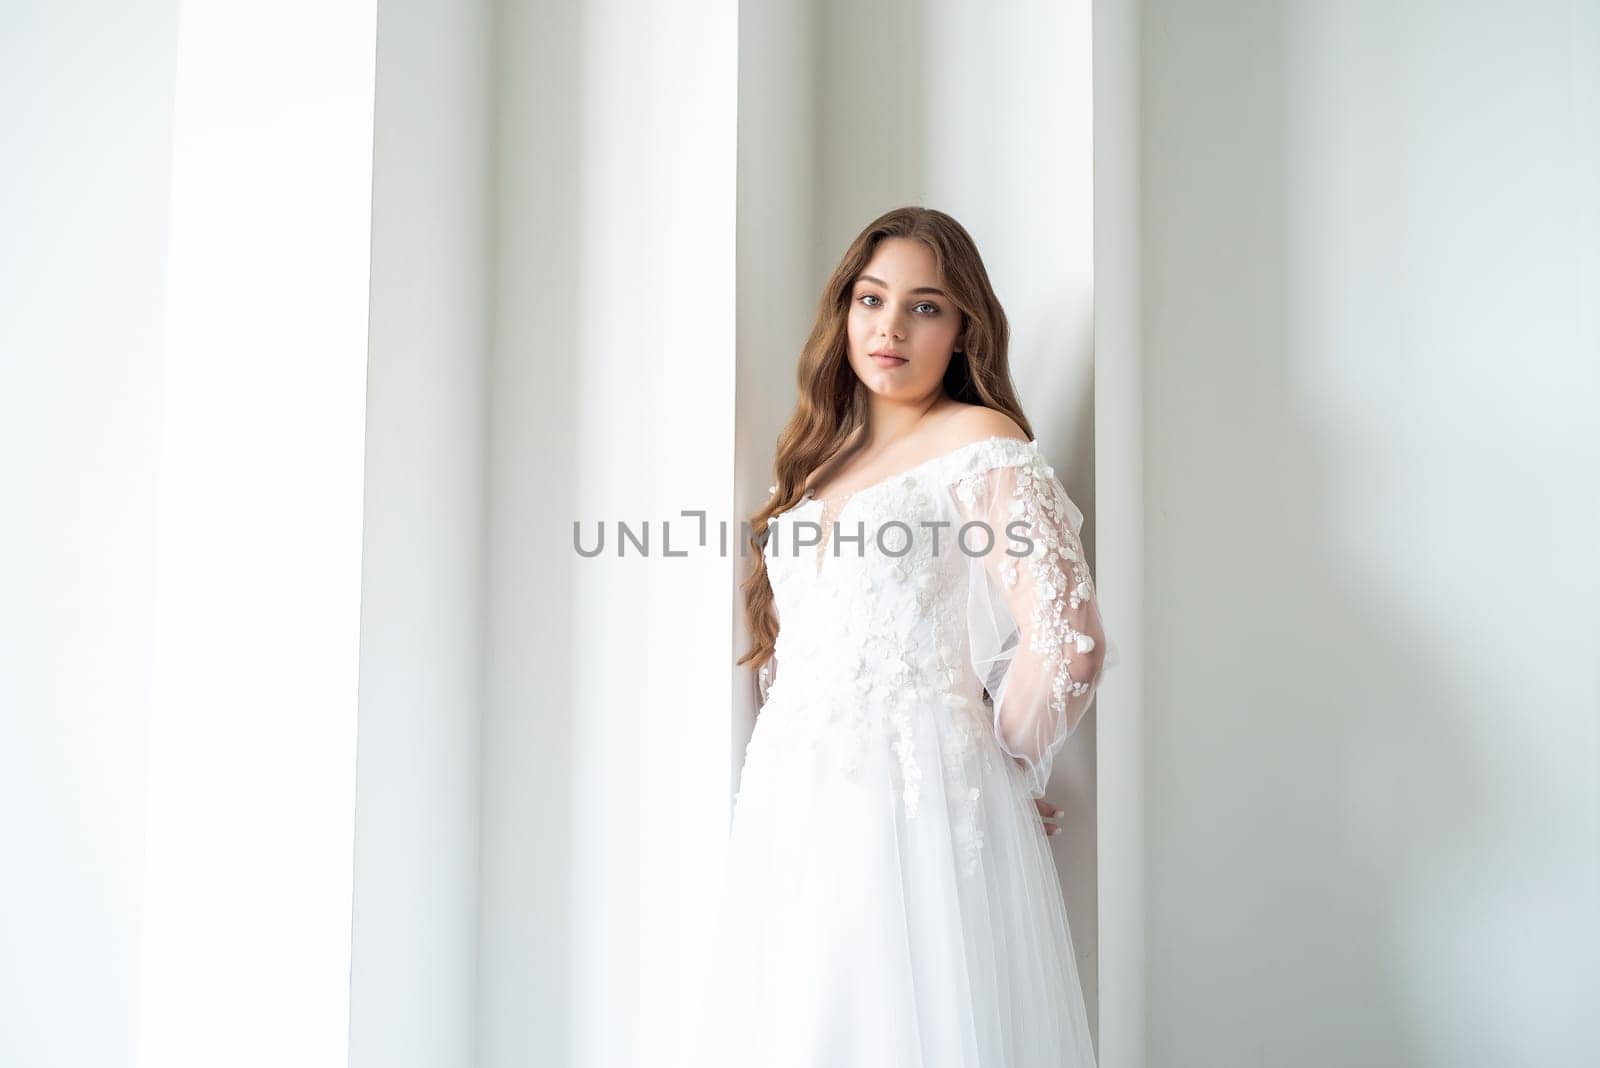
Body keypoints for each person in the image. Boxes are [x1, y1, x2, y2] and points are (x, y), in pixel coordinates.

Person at [718, 205, 1115, 1066]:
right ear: (845, 312)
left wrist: (1004, 765)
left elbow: (1072, 640)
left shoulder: (982, 444)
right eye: (871, 299)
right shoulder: (818, 460)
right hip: (792, 799)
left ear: (965, 329)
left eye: (926, 306)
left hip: (916, 801)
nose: (890, 326)